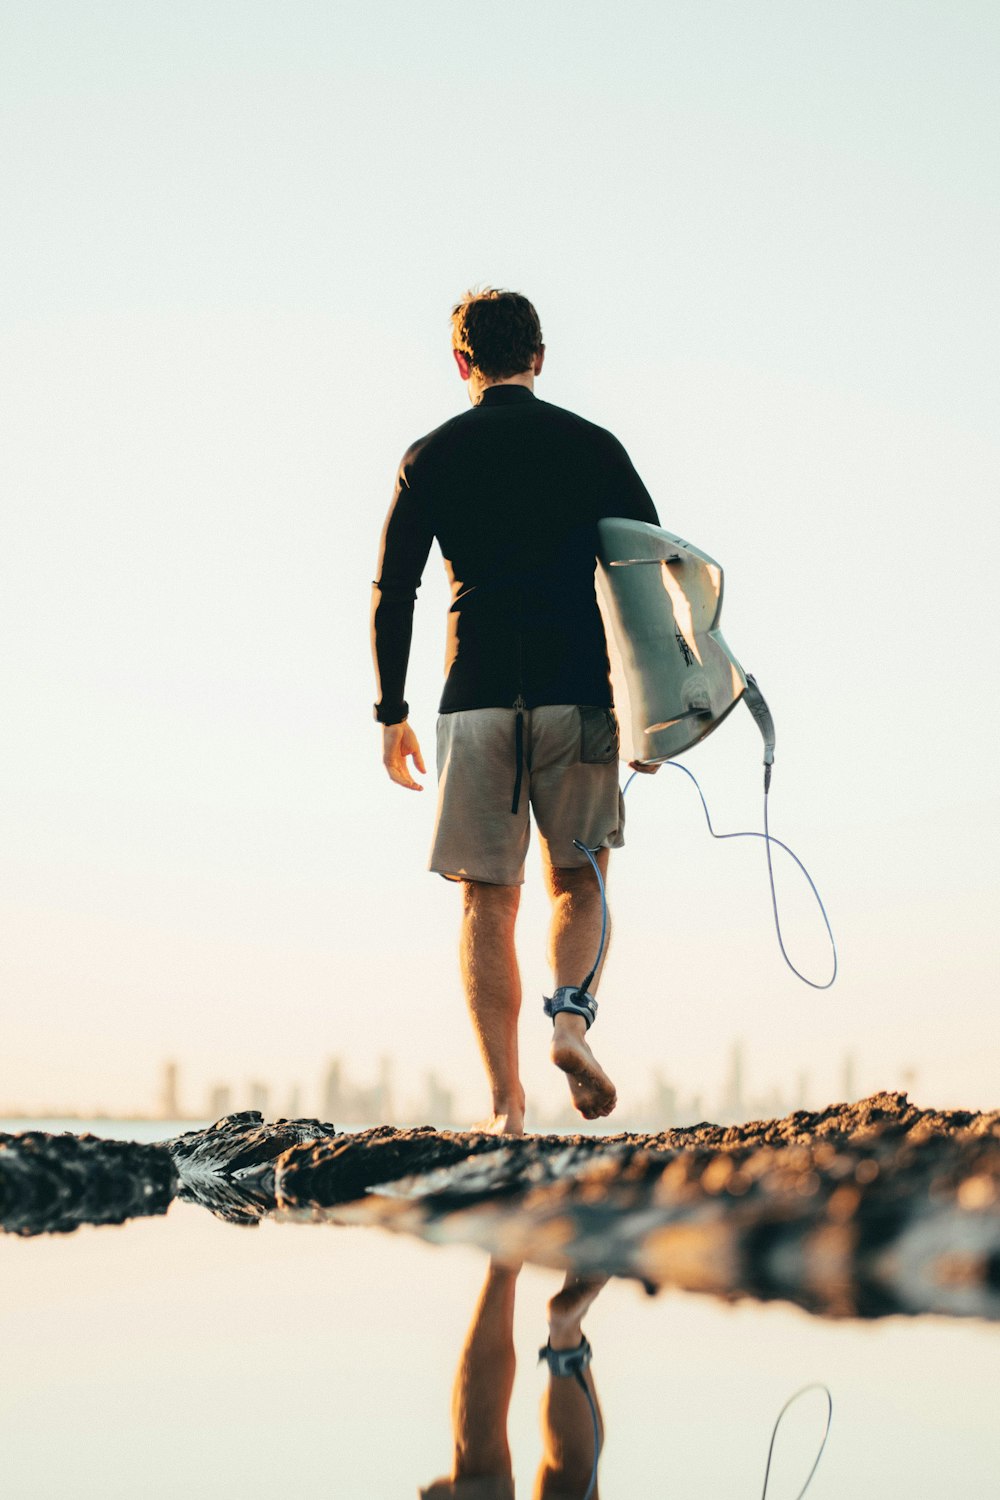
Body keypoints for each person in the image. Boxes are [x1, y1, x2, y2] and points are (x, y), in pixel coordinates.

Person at [371, 288, 659, 1135]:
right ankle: (570, 1021)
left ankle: (506, 1108)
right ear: (539, 356)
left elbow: (395, 591)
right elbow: (645, 572)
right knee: (579, 877)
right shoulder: (593, 446)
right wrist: (656, 706)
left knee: (487, 900)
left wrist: (392, 710)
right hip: (578, 691)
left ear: (462, 364)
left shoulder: (431, 456)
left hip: (476, 698)